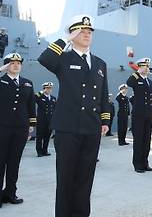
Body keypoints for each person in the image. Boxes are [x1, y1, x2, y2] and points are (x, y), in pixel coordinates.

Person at [38, 15, 111, 217]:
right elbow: (44, 59)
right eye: (81, 31)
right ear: (73, 33)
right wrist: (66, 40)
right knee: (66, 179)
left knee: (85, 179)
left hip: (91, 128)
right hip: (68, 128)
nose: (86, 34)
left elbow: (103, 94)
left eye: (89, 32)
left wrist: (105, 120)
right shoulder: (64, 58)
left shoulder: (99, 63)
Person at [0, 53, 37, 209]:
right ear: (6, 66)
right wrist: (0, 69)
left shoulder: (27, 83)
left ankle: (11, 193)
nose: (16, 65)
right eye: (12, 63)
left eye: (18, 62)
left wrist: (32, 123)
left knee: (14, 162)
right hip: (1, 127)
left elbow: (31, 104)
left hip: (21, 127)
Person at [126, 57, 152, 173]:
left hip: (148, 114)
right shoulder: (136, 79)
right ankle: (137, 164)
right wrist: (137, 72)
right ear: (140, 67)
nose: (148, 68)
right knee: (138, 140)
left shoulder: (151, 82)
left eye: (148, 66)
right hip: (138, 114)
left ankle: (145, 163)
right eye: (145, 66)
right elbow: (129, 82)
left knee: (146, 140)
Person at [35, 82, 57, 157]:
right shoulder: (40, 97)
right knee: (39, 137)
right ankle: (39, 151)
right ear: (44, 88)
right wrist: (41, 92)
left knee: (47, 136)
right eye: (47, 88)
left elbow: (55, 109)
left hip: (49, 120)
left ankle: (45, 150)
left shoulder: (53, 98)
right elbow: (33, 98)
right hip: (41, 120)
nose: (49, 90)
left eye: (50, 88)